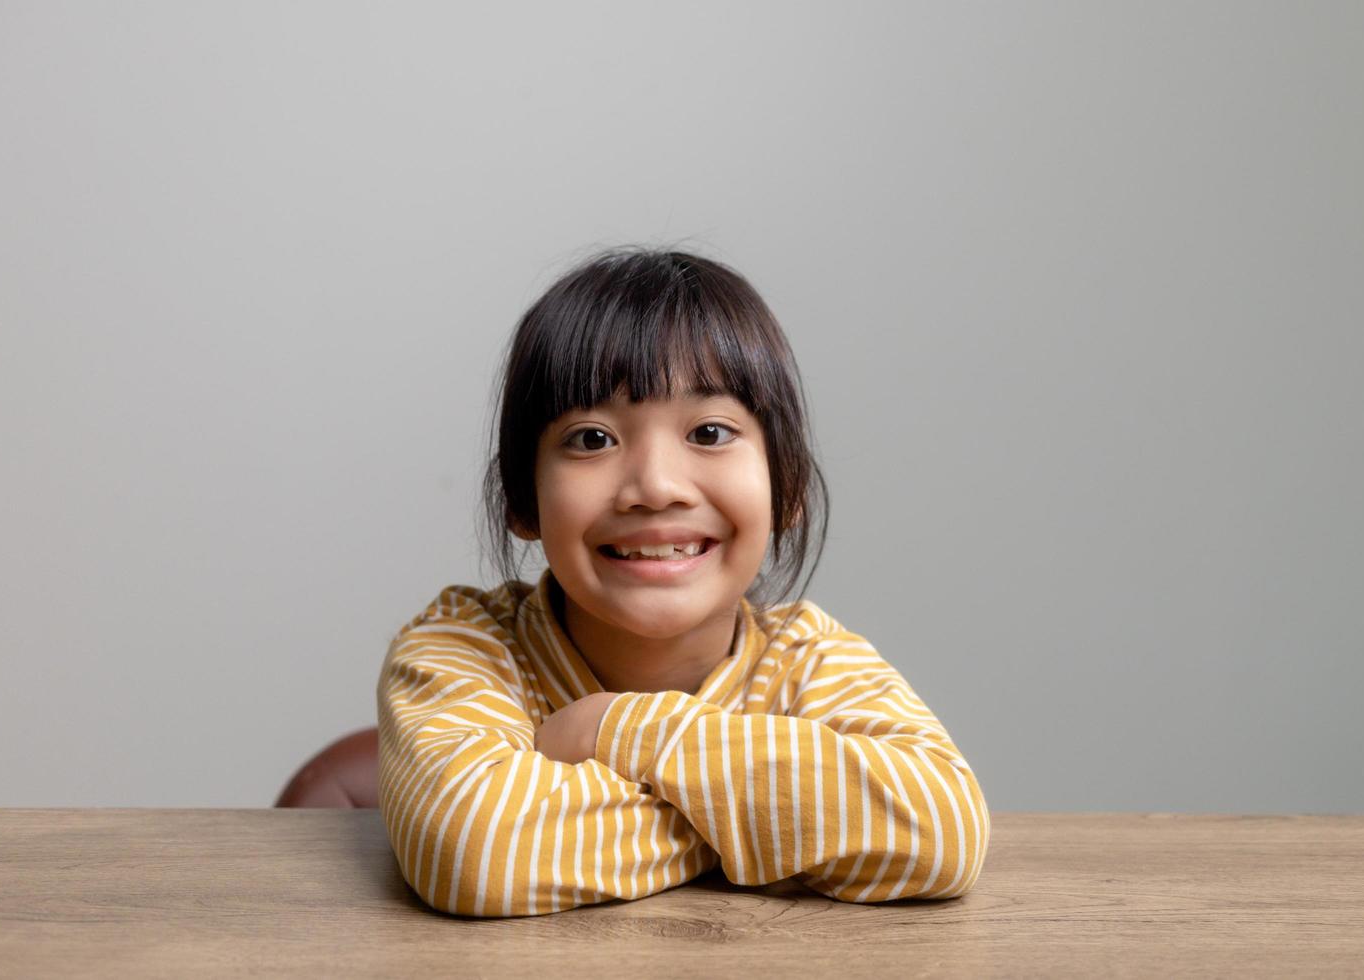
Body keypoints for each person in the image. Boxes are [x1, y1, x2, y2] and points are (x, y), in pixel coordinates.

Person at [375, 246, 990, 917]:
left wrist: (612, 727)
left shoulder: (807, 659)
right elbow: (479, 854)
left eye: (710, 430)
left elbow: (942, 828)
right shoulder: (463, 647)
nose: (656, 487)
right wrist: (772, 824)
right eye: (591, 439)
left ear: (786, 489)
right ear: (523, 499)